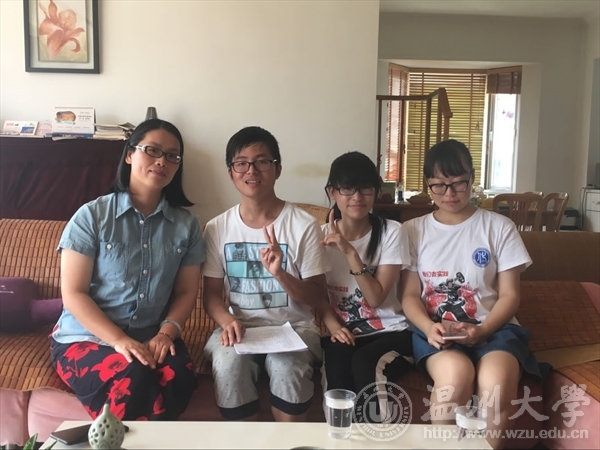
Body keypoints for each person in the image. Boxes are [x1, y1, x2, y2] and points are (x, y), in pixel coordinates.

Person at [50, 119, 205, 420]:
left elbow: (186, 292)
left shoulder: (187, 226)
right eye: (152, 150)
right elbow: (74, 293)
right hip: (86, 338)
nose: (162, 161)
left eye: (172, 156)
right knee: (134, 374)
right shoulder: (91, 216)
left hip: (152, 336)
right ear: (130, 154)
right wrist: (119, 341)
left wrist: (166, 333)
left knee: (179, 375)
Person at [400, 139, 547, 449]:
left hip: (494, 329)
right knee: (454, 380)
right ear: (427, 184)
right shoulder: (412, 230)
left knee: (496, 388)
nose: (449, 193)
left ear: (472, 178)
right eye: (439, 185)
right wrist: (428, 327)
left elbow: (510, 295)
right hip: (437, 331)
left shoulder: (499, 227)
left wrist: (483, 330)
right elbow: (410, 296)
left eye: (458, 183)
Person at [202, 126, 329, 421]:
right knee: (228, 364)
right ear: (231, 172)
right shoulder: (217, 228)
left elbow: (317, 296)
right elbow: (211, 296)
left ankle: (288, 439)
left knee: (286, 366)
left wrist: (281, 274)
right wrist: (227, 320)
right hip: (239, 327)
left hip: (294, 328)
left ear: (277, 169)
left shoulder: (304, 226)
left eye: (262, 161)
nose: (252, 170)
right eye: (241, 163)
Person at [319, 151, 413, 424]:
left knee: (364, 361)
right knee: (336, 361)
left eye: (366, 188)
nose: (357, 197)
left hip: (392, 331)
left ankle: (377, 437)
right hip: (345, 332)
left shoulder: (391, 232)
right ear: (332, 192)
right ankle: (338, 436)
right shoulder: (319, 237)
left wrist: (350, 252)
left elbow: (375, 298)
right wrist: (333, 326)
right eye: (348, 189)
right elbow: (316, 295)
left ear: (376, 191)